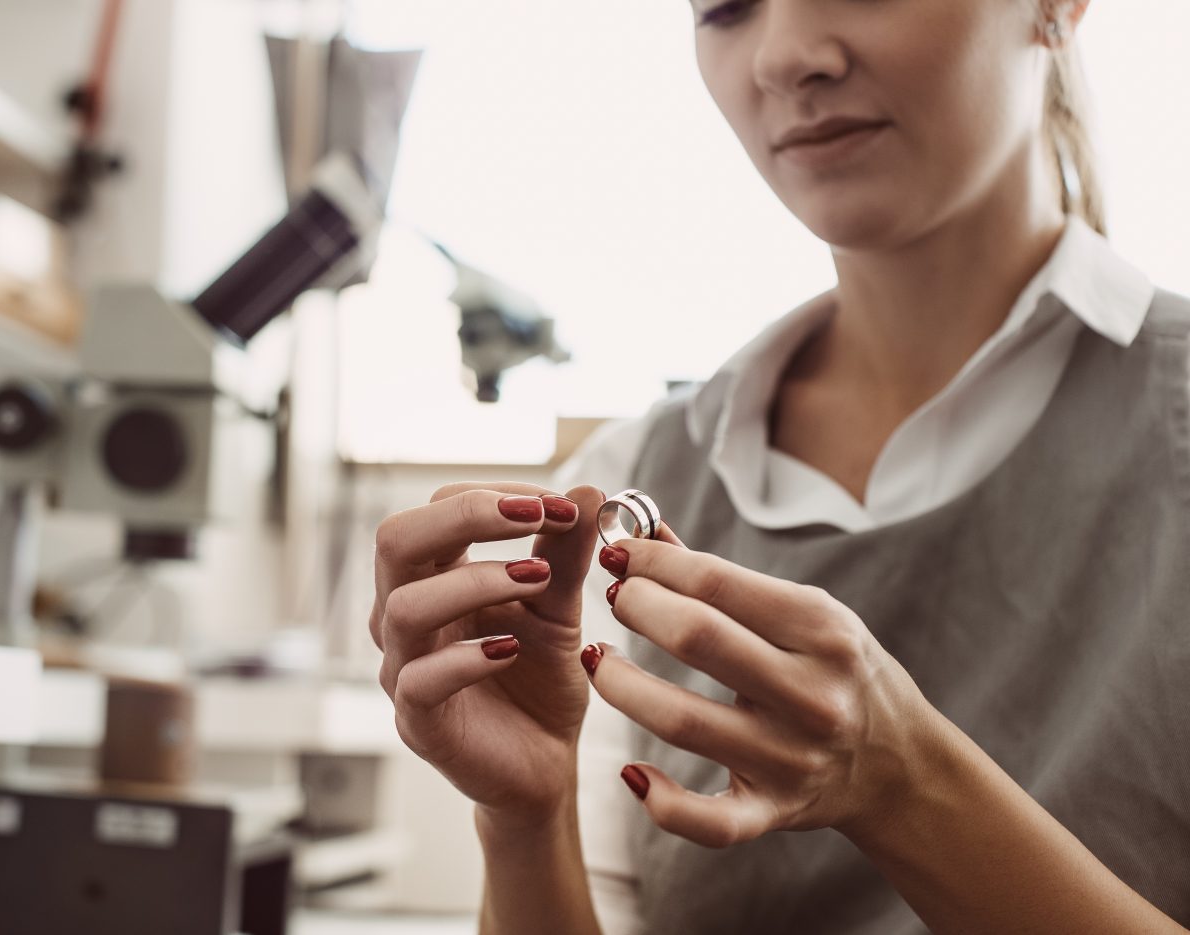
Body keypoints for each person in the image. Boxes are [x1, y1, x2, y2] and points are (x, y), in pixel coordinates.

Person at [367, 0, 1190, 931]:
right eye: (722, 6)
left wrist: (906, 784)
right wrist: (524, 821)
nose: (785, 56)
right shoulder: (633, 476)